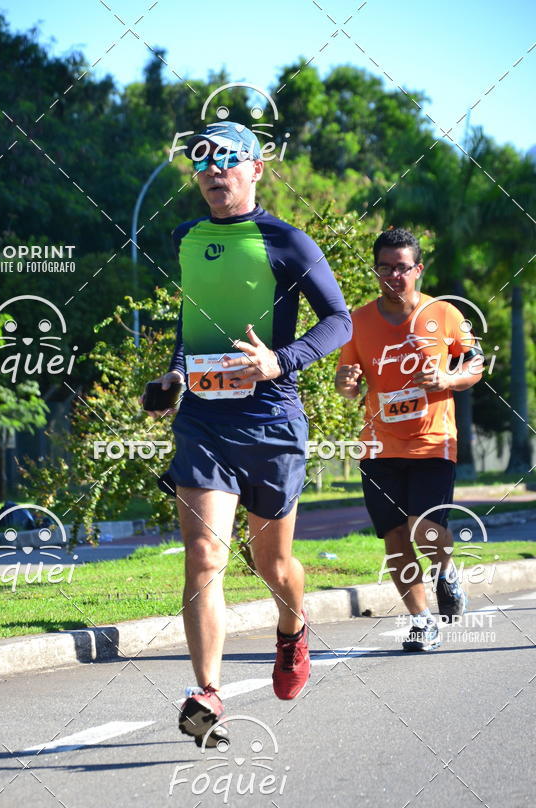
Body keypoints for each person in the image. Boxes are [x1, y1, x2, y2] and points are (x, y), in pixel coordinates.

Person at [143, 121, 351, 746]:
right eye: (201, 162)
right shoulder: (186, 238)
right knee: (204, 554)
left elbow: (339, 322)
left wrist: (280, 360)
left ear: (256, 168)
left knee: (272, 562)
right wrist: (176, 376)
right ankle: (207, 692)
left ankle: (293, 632)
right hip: (204, 421)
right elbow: (192, 328)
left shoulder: (287, 243)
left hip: (271, 420)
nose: (212, 172)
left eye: (227, 162)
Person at [336, 228, 483, 651]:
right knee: (396, 538)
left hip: (433, 440)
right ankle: (422, 621)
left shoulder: (444, 314)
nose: (393, 276)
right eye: (385, 268)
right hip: (378, 445)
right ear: (376, 270)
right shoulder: (357, 321)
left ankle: (447, 572)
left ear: (417, 269)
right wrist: (346, 384)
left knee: (424, 527)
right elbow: (348, 384)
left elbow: (475, 366)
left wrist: (448, 377)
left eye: (402, 268)